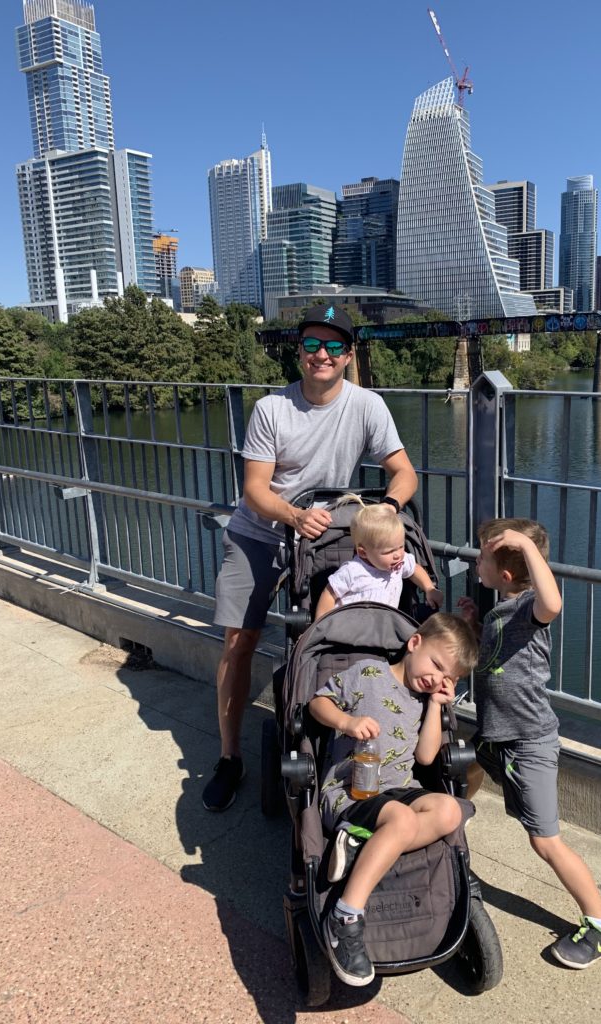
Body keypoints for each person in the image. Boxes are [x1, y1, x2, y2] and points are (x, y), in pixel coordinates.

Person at [203, 304, 418, 812]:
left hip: (325, 538)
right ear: (298, 352)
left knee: (334, 631)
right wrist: (293, 517)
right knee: (240, 641)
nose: (322, 354)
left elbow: (403, 472)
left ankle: (330, 728)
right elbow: (255, 488)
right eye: (312, 345)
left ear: (348, 355)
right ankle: (229, 758)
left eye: (335, 346)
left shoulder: (368, 406)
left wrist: (387, 508)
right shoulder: (271, 409)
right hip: (262, 531)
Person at [458, 518, 601, 970]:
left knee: (546, 842)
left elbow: (554, 601)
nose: (476, 562)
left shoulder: (531, 606)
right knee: (469, 765)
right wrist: (472, 625)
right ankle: (456, 819)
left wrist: (524, 548)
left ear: (507, 574)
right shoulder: (501, 610)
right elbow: (492, 658)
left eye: (483, 557)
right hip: (497, 735)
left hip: (527, 742)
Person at [309, 613, 479, 987]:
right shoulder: (368, 673)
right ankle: (345, 916)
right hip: (352, 791)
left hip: (398, 788)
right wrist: (346, 723)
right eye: (435, 665)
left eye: (446, 677)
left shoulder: (422, 700)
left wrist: (435, 704)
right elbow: (318, 704)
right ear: (415, 643)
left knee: (449, 810)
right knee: (401, 820)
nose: (435, 678)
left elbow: (426, 758)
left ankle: (359, 842)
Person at [313, 496, 443, 619]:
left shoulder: (399, 563)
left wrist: (429, 588)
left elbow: (414, 569)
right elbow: (329, 594)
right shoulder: (352, 571)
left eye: (401, 547)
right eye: (389, 552)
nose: (397, 554)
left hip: (382, 629)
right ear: (363, 553)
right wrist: (320, 626)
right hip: (350, 629)